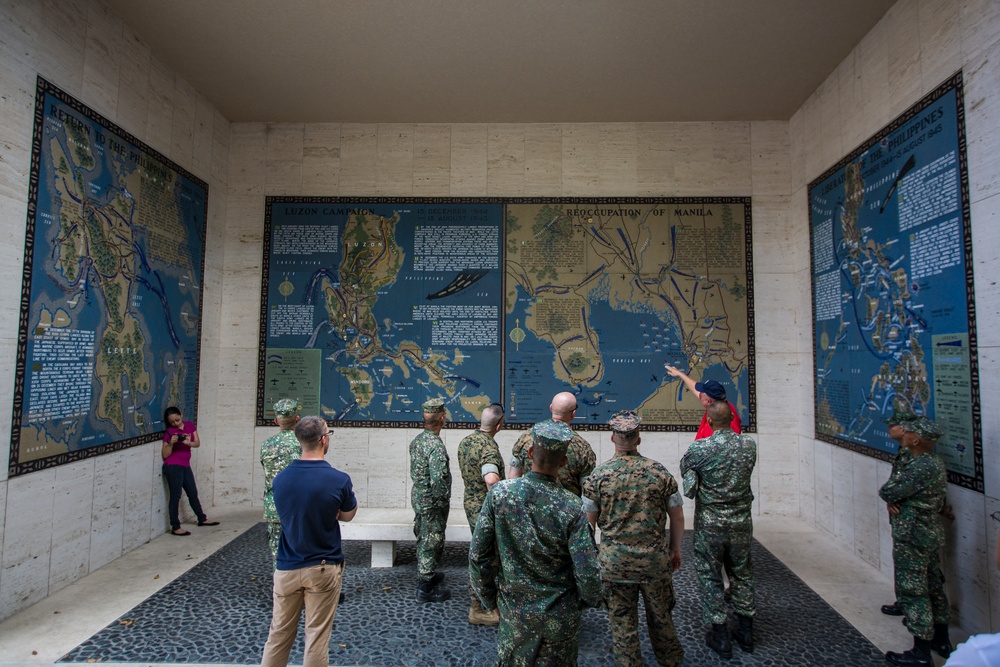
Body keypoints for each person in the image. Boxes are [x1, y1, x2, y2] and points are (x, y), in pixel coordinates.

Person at [470, 420, 603, 666]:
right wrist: (587, 601)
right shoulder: (572, 506)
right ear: (563, 462)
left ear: (530, 453)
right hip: (559, 617)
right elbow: (587, 570)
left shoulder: (500, 495)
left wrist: (489, 602)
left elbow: (479, 555)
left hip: (514, 614)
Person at [583, 409, 685, 667]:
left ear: (611, 438)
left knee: (622, 624)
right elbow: (677, 517)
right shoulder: (659, 472)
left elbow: (587, 525)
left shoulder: (598, 477)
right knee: (662, 618)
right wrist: (675, 549)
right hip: (654, 562)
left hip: (615, 565)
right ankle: (671, 661)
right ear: (638, 439)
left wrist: (593, 559)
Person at [260, 416, 357, 667]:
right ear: (324, 440)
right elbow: (347, 514)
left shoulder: (280, 480)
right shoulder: (339, 479)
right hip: (323, 567)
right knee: (316, 637)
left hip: (286, 568)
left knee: (278, 635)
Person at [680, 400, 757, 659]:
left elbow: (689, 487)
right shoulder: (749, 445)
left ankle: (721, 635)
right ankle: (746, 631)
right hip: (741, 523)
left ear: (709, 421)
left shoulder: (700, 448)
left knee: (710, 575)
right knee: (742, 572)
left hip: (710, 525)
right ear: (733, 418)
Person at [880, 416, 952, 667]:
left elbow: (889, 490)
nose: (904, 433)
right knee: (933, 584)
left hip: (913, 533)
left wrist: (891, 497)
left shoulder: (921, 465)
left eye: (908, 431)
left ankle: (921, 652)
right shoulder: (931, 462)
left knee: (914, 589)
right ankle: (941, 639)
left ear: (916, 439)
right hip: (927, 532)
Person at [457, 402, 505, 626]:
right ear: (500, 424)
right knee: (487, 558)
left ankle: (485, 602)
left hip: (471, 505)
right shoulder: (488, 447)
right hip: (485, 510)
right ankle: (480, 608)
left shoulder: (466, 442)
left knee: (480, 553)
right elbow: (491, 479)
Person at [507, 391, 596, 496]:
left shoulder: (526, 437)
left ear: (550, 408)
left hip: (530, 507)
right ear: (573, 414)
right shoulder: (582, 447)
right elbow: (588, 494)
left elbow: (512, 478)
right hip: (567, 509)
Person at [409, 397, 452, 603]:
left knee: (422, 533)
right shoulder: (436, 446)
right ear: (442, 419)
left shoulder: (417, 440)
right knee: (432, 538)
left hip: (418, 497)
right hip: (432, 501)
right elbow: (438, 480)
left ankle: (427, 572)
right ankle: (425, 586)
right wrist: (442, 501)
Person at [161, 406, 218, 535]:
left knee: (192, 492)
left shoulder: (189, 426)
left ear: (181, 414)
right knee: (176, 496)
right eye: (172, 422)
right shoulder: (169, 432)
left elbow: (197, 443)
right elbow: (165, 454)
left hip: (185, 465)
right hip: (173, 466)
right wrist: (171, 442)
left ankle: (202, 518)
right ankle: (175, 526)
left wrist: (188, 443)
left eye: (177, 419)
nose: (176, 423)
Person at [261, 398, 303, 566]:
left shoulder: (266, 445)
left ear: (276, 420)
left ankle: (281, 590)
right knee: (303, 551)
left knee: (278, 554)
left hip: (275, 506)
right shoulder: (304, 443)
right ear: (297, 419)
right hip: (300, 507)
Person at [663, 365, 741, 438]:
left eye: (701, 395)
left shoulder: (717, 430)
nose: (699, 395)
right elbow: (694, 387)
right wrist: (680, 374)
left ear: (708, 401)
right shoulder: (723, 406)